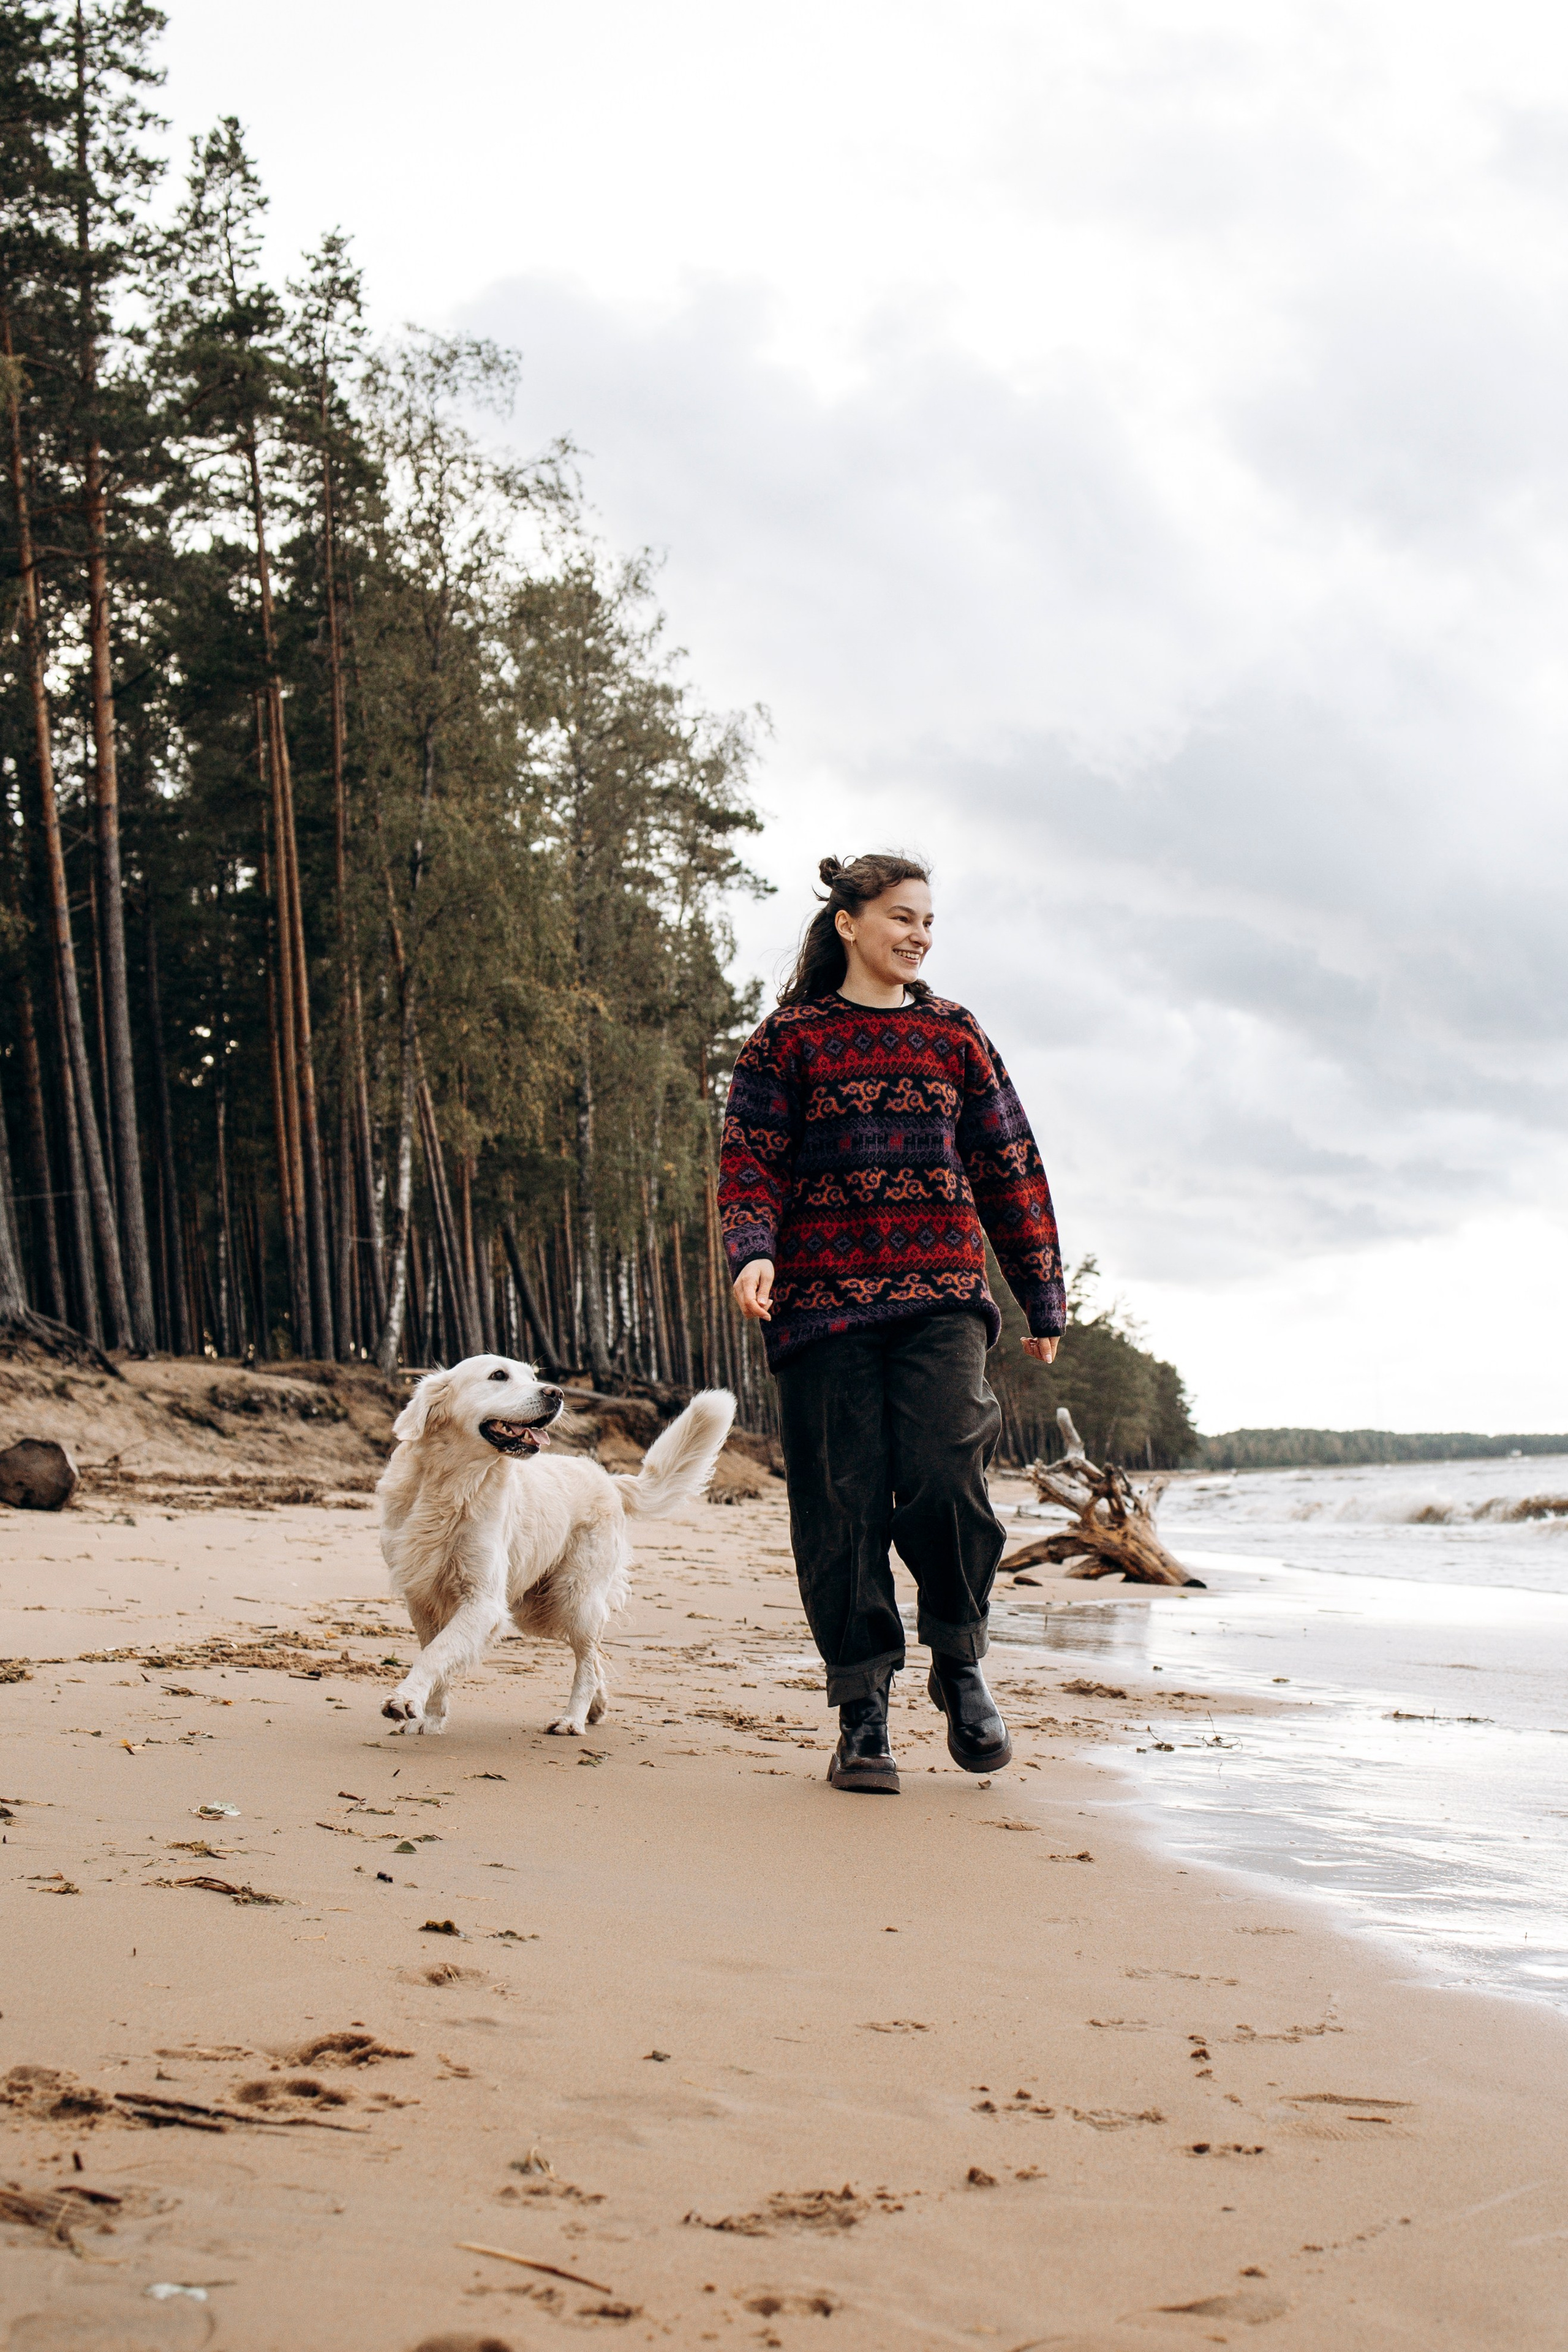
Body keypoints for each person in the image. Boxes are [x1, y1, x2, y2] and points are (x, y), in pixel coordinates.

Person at [718, 852, 1065, 1796]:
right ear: (849, 922)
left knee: (949, 1471)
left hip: (941, 1299)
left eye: (928, 923)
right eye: (902, 917)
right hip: (822, 1308)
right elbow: (751, 1158)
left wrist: (1041, 1292)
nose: (918, 935)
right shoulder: (787, 1040)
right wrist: (753, 1247)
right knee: (842, 1510)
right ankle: (862, 1709)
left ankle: (958, 1661)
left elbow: (1009, 1163)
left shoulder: (956, 1034)